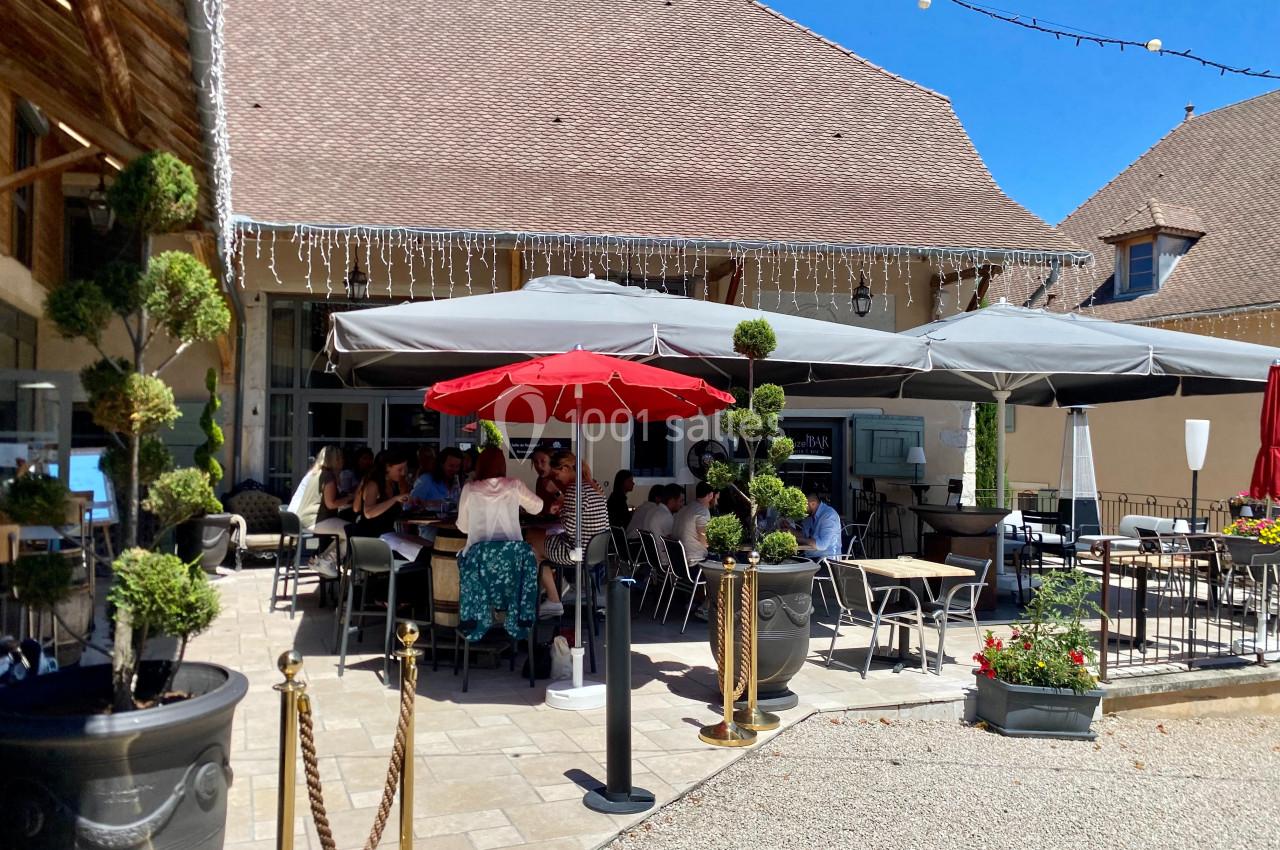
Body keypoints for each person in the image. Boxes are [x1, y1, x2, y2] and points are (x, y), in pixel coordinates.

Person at [456, 446, 549, 624]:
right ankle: (510, 616)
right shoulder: (514, 485)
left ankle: (478, 616)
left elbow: (463, 527)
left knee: (463, 559)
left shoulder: (470, 489)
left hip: (480, 565)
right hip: (512, 563)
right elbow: (538, 507)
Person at [528, 451, 609, 613]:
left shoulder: (574, 489)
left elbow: (570, 528)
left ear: (565, 468)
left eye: (557, 474)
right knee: (537, 539)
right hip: (594, 551)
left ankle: (554, 597)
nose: (556, 478)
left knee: (529, 544)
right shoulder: (593, 486)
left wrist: (562, 509)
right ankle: (556, 584)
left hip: (576, 552)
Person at [350, 449, 425, 561]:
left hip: (388, 535)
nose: (403, 472)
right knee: (422, 553)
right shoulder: (374, 484)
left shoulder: (393, 484)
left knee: (429, 546)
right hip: (373, 539)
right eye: (399, 469)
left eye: (405, 468)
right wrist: (394, 499)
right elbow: (368, 512)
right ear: (387, 467)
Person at [308, 446, 355, 577]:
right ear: (335, 460)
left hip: (305, 520)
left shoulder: (314, 473)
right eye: (340, 458)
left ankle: (321, 559)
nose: (343, 461)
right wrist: (350, 498)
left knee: (344, 533)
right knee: (354, 532)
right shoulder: (328, 476)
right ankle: (327, 560)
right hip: (318, 521)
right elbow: (331, 504)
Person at [673, 482, 717, 565]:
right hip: (695, 561)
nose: (717, 502)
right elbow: (705, 542)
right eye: (717, 499)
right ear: (711, 495)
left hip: (678, 561)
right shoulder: (702, 511)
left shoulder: (685, 508)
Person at [798, 490, 842, 560]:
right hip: (811, 557)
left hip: (826, 561)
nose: (801, 508)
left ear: (813, 504)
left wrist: (800, 540)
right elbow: (804, 535)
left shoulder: (829, 515)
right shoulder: (809, 517)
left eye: (803, 505)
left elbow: (822, 545)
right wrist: (790, 530)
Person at [528, 448, 559, 516]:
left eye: (543, 461)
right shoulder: (540, 480)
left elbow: (570, 503)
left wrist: (555, 491)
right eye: (536, 462)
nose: (539, 466)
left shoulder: (560, 477)